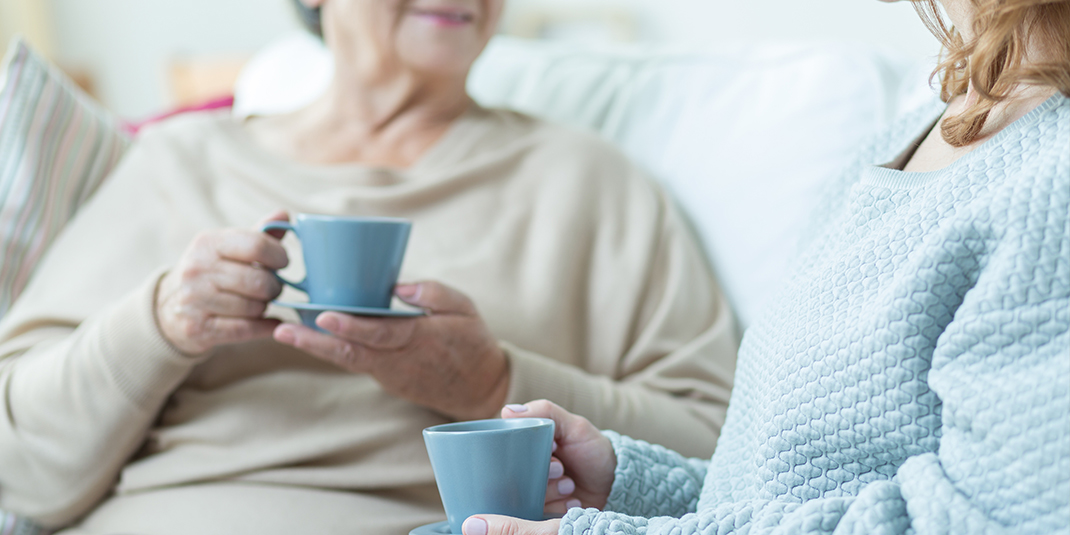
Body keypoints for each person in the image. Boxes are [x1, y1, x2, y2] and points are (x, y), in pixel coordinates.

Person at [0, 0, 739, 533]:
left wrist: (493, 384)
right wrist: (158, 323)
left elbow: (726, 456)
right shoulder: (176, 162)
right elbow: (21, 471)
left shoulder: (592, 182)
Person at [469, 0, 1070, 533]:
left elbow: (992, 518)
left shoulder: (1051, 181)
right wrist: (630, 489)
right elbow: (790, 490)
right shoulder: (906, 141)